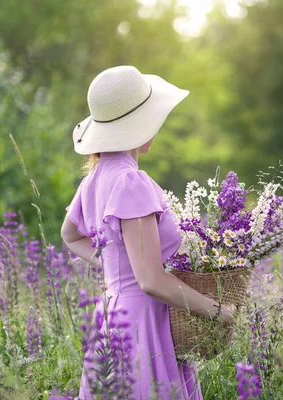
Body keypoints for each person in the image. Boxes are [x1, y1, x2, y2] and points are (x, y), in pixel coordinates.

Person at [61, 65, 236, 400]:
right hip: (144, 325)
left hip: (111, 318)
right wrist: (218, 310)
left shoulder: (92, 180)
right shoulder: (131, 182)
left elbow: (70, 236)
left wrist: (115, 270)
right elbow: (151, 280)